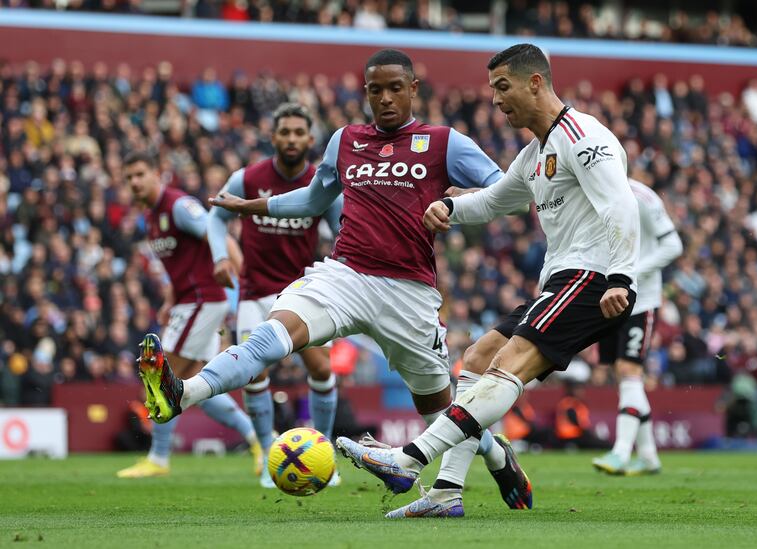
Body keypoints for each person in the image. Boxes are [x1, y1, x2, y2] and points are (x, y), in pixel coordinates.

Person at [134, 49, 530, 514]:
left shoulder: (444, 142)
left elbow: (510, 193)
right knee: (269, 336)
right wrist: (249, 208)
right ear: (365, 93)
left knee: (441, 416)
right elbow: (312, 199)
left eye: (395, 88)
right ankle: (182, 392)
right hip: (343, 274)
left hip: (409, 293)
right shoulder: (344, 140)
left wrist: (459, 201)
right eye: (375, 90)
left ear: (413, 89)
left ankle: (492, 455)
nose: (385, 98)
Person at [335, 43, 641, 517]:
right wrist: (450, 208)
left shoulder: (583, 135)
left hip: (595, 278)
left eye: (503, 87)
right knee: (478, 356)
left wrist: (621, 277)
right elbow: (499, 200)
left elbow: (621, 202)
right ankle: (446, 493)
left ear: (535, 82)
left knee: (509, 362)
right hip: (563, 281)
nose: (496, 100)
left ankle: (407, 459)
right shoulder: (535, 152)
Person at [207, 102, 343, 488]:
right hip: (254, 292)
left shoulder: (323, 184)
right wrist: (220, 256)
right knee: (254, 372)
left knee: (321, 369)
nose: (292, 139)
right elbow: (216, 217)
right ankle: (269, 453)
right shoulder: (247, 179)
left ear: (310, 139)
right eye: (285, 132)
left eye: (299, 132)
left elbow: (343, 232)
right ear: (273, 137)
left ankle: (323, 452)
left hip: (302, 292)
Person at [117, 152, 260, 479]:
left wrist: (242, 280)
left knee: (159, 380)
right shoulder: (151, 216)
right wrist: (169, 298)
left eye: (140, 173)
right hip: (187, 301)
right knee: (198, 388)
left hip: (202, 301)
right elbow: (179, 264)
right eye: (129, 178)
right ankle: (259, 442)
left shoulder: (178, 206)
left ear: (157, 173)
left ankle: (159, 458)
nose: (135, 182)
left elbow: (217, 232)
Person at [592, 178, 682, 475]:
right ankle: (647, 455)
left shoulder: (642, 196)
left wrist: (630, 274)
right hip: (606, 297)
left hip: (641, 299)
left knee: (630, 370)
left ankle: (620, 452)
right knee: (622, 373)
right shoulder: (588, 189)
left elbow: (673, 245)